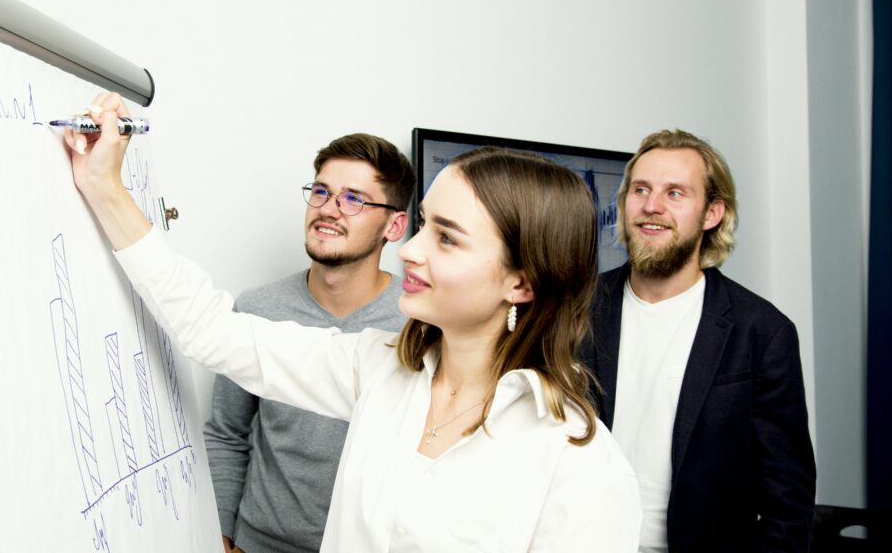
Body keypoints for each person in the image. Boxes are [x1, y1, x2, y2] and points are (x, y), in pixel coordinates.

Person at [65, 93, 641, 551]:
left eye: (446, 238)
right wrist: (104, 187)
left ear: (521, 281)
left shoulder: (576, 459)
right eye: (423, 226)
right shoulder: (380, 369)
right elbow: (214, 332)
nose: (412, 251)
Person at [581, 129, 816, 552]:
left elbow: (788, 504)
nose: (651, 207)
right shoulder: (575, 311)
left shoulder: (761, 332)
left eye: (675, 193)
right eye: (641, 190)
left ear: (712, 214)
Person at [203, 133, 414, 553]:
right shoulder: (256, 308)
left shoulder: (417, 326)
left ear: (393, 225)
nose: (328, 210)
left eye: (353, 199)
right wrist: (222, 535)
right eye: (321, 192)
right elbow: (227, 433)